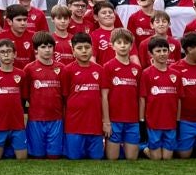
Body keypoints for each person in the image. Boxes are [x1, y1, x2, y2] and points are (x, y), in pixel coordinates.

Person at [59, 32, 106, 160]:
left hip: (95, 125)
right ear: (73, 51)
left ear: (92, 49)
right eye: (79, 48)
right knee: (74, 158)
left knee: (97, 158)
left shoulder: (99, 70)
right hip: (74, 126)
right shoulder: (67, 70)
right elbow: (64, 99)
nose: (84, 51)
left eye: (87, 47)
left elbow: (103, 98)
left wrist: (105, 121)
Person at [102, 29, 141, 161]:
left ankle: (144, 148)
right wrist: (106, 121)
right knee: (112, 158)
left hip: (132, 120)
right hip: (114, 120)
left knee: (131, 158)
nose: (123, 46)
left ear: (131, 46)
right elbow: (104, 97)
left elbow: (139, 96)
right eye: (119, 43)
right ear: (112, 46)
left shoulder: (137, 69)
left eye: (126, 43)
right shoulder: (107, 67)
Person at [139, 37, 180, 161]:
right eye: (158, 51)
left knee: (167, 158)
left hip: (170, 122)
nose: (162, 54)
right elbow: (142, 99)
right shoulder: (146, 73)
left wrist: (178, 120)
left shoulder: (176, 74)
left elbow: (179, 99)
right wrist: (142, 121)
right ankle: (143, 148)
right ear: (151, 54)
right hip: (153, 122)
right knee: (156, 158)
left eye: (164, 50)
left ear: (169, 52)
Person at [0, 39, 27, 160]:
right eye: (2, 52)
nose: (6, 54)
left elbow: (23, 99)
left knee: (22, 158)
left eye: (9, 51)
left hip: (17, 123)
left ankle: (10, 149)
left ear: (15, 54)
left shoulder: (21, 74)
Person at [0, 4, 35, 69]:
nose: (23, 23)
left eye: (25, 20)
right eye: (19, 20)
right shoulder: (2, 36)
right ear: (9, 21)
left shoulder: (33, 36)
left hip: (29, 73)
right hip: (9, 72)